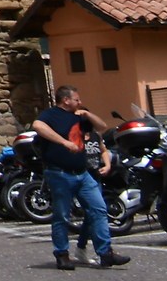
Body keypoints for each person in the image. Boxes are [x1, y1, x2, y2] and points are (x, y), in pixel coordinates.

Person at [34, 86, 129, 270]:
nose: (79, 102)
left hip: (83, 174)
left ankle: (105, 253)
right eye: (76, 99)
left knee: (99, 209)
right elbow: (38, 126)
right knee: (62, 215)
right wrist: (63, 142)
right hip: (59, 173)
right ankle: (62, 254)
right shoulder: (51, 115)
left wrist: (87, 114)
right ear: (65, 100)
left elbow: (102, 127)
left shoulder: (80, 117)